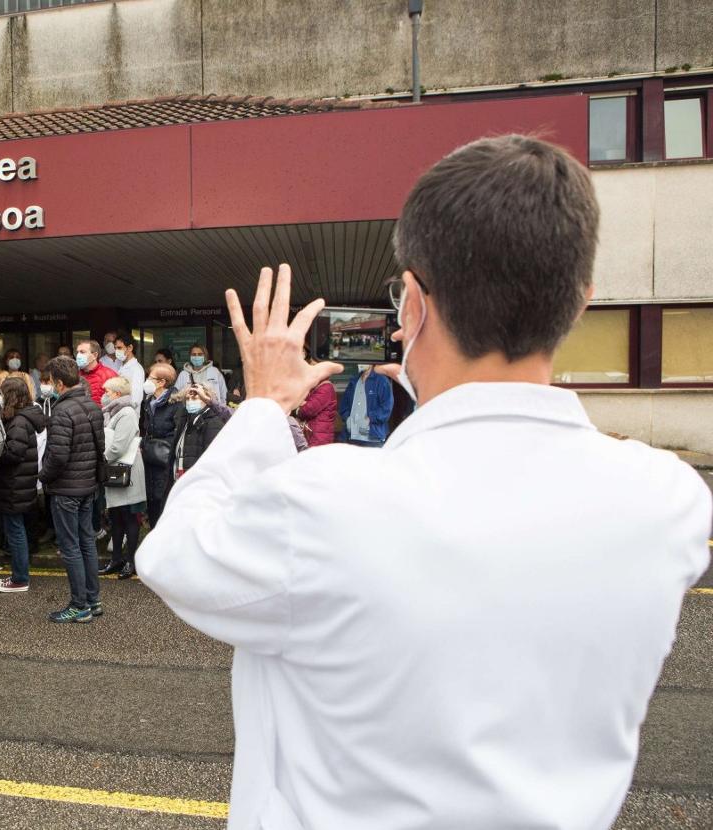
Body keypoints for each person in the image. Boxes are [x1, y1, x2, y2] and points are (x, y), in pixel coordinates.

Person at [137, 136, 713, 829]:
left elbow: (170, 553)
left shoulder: (327, 505)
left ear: (412, 303)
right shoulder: (668, 502)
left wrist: (263, 404)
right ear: (580, 302)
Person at [40, 355, 105, 623]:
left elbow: (57, 456)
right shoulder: (92, 405)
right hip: (88, 485)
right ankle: (93, 599)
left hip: (66, 488)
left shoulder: (62, 411)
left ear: (57, 382)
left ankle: (79, 605)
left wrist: (43, 477)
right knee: (87, 542)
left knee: (71, 547)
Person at [0, 376, 46, 593]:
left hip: (13, 485)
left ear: (10, 396)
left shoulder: (19, 421)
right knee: (16, 530)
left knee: (15, 531)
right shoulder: (23, 418)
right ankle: (19, 575)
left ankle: (20, 578)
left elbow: (14, 453)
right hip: (19, 484)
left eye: (2, 393)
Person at [99, 377, 145, 580]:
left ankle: (131, 561)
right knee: (116, 518)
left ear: (117, 394)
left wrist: (101, 460)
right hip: (115, 471)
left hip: (127, 473)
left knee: (129, 518)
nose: (104, 394)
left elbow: (118, 445)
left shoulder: (126, 413)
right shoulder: (114, 412)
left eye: (107, 391)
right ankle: (116, 559)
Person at [139, 362, 179, 526]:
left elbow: (176, 433)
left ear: (162, 382)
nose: (147, 380)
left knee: (164, 500)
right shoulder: (148, 401)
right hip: (149, 458)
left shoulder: (176, 402)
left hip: (165, 460)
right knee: (152, 501)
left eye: (150, 378)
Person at [171, 384, 226, 479]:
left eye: (195, 398)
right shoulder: (184, 421)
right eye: (187, 399)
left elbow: (212, 462)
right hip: (181, 479)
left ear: (206, 399)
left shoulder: (213, 423)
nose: (190, 402)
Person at [337, 364, 393, 446]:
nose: (361, 363)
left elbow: (387, 407)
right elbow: (343, 405)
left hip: (373, 438)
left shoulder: (382, 381)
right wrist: (348, 419)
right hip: (352, 436)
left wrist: (371, 418)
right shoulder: (354, 380)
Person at [296, 365, 337, 447]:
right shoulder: (315, 387)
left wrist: (298, 409)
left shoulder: (325, 388)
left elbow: (307, 410)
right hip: (315, 434)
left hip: (318, 437)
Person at [75, 340, 117, 406]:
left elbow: (116, 402)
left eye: (82, 352)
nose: (78, 355)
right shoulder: (74, 376)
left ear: (95, 355)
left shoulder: (109, 375)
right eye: (77, 352)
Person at [112, 333, 145, 409]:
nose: (116, 351)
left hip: (129, 414)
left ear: (130, 348)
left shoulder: (137, 369)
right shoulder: (121, 367)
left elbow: (136, 399)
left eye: (119, 348)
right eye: (115, 348)